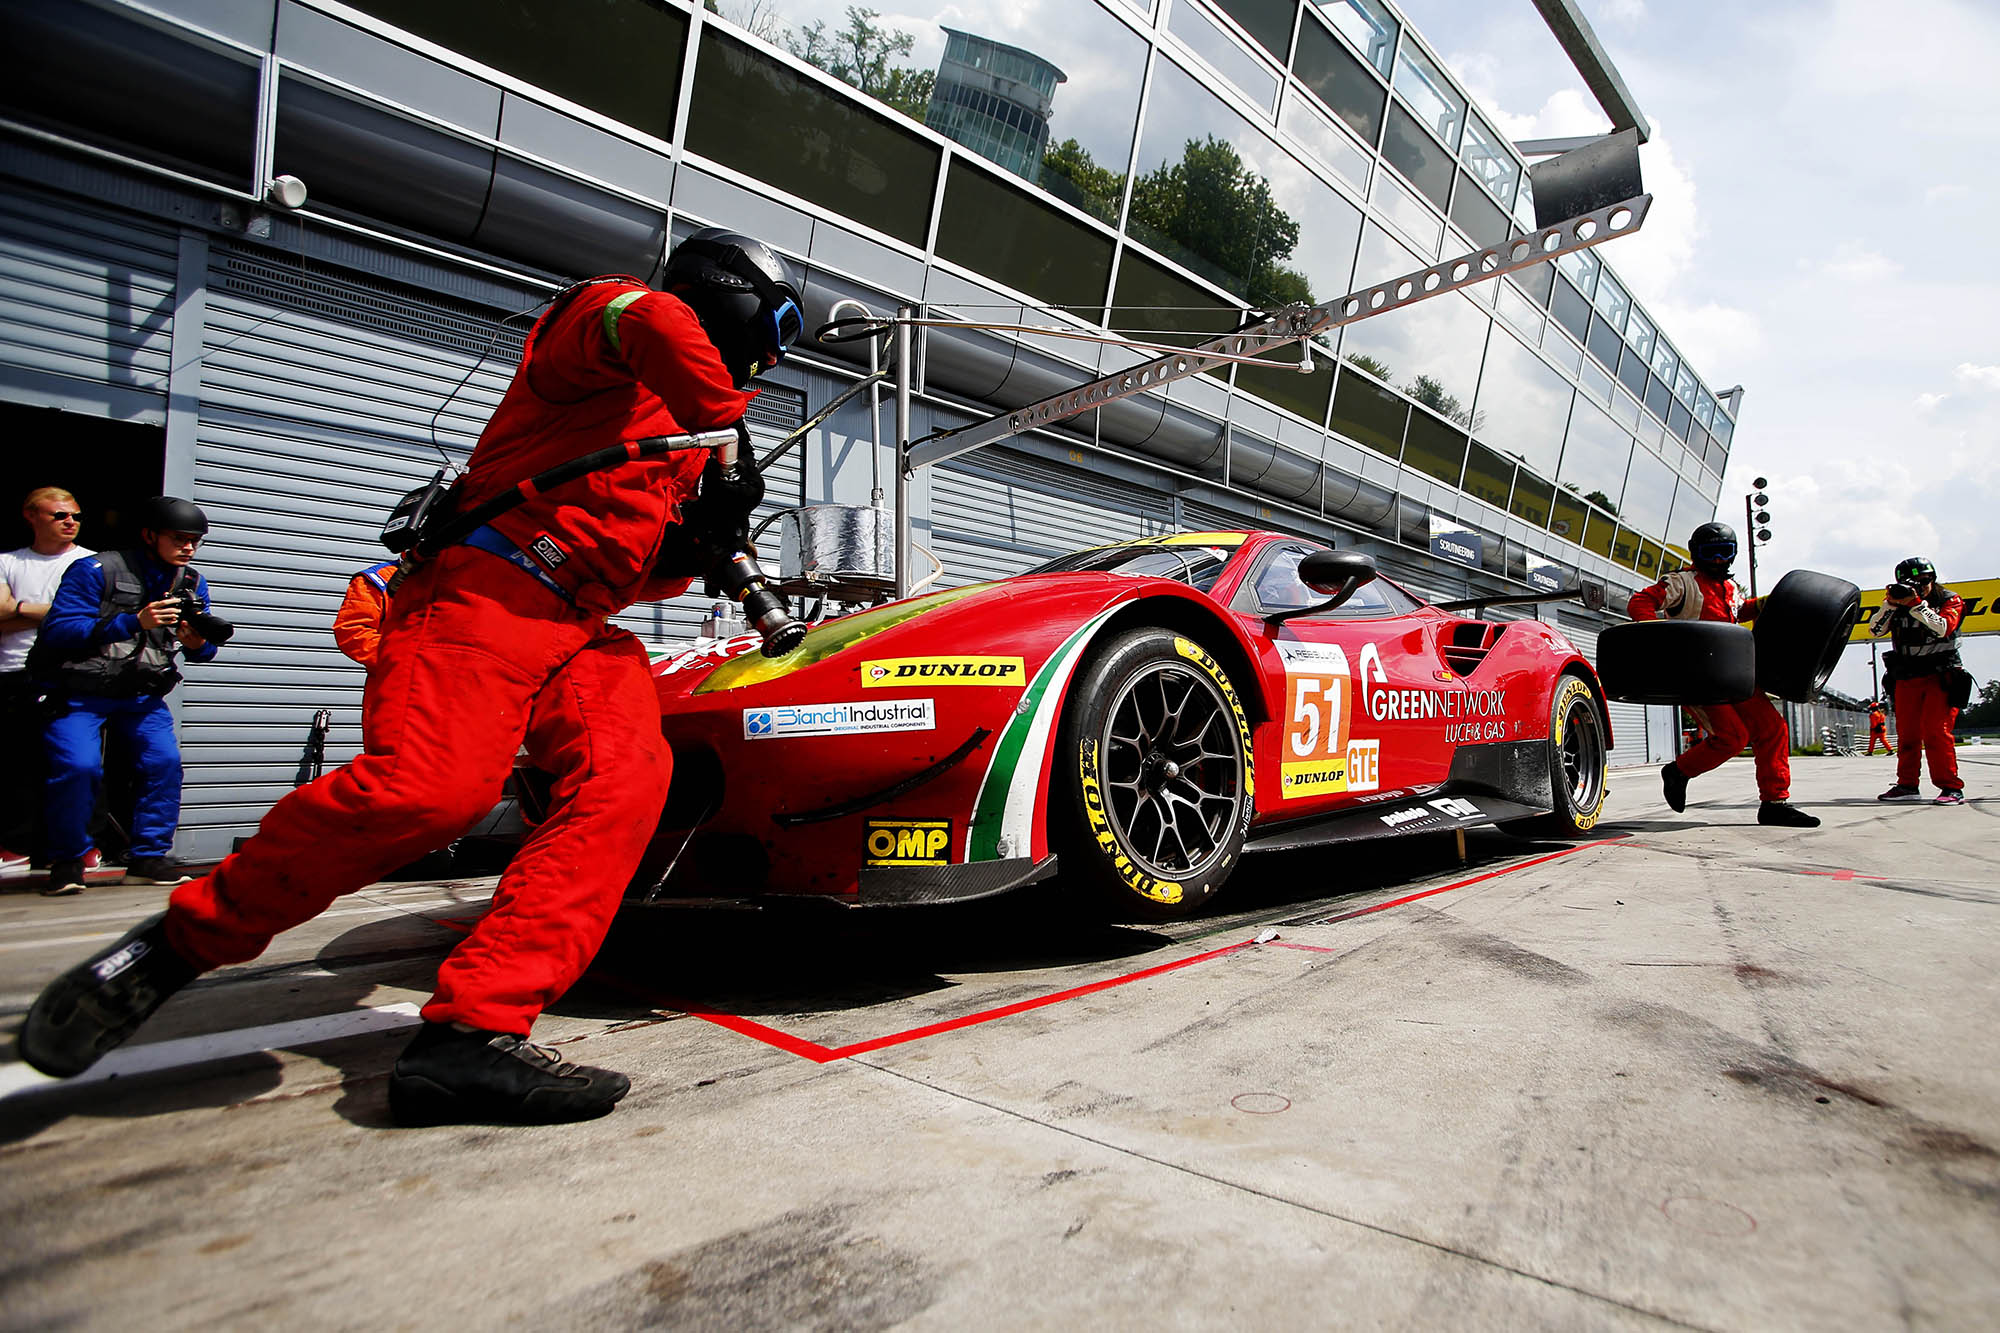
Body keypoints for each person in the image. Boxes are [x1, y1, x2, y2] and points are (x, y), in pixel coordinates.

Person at [21, 229, 804, 1128]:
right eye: (771, 332)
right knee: (431, 793)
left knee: (629, 779)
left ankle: (467, 1038)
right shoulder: (605, 320)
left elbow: (644, 569)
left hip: (582, 629)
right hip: (486, 592)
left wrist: (700, 537)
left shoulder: (688, 441)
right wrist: (724, 425)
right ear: (734, 305)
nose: (771, 359)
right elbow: (652, 320)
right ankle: (174, 944)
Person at [29, 496, 220, 895]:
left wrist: (198, 643)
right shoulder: (96, 570)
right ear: (150, 535)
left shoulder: (190, 580)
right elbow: (58, 631)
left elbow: (203, 651)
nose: (188, 547)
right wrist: (132, 622)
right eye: (179, 537)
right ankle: (67, 862)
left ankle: (148, 858)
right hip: (80, 691)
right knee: (79, 769)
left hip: (142, 695)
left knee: (163, 764)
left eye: (195, 540)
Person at [1628, 521, 1819, 828]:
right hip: (1697, 676)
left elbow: (1738, 612)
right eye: (1710, 552)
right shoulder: (1680, 582)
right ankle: (1679, 771)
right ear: (1696, 553)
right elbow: (1641, 601)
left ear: (1733, 554)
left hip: (1734, 672)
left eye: (1724, 552)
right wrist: (1655, 637)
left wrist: (1770, 603)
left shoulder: (1731, 588)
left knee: (1773, 727)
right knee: (1733, 738)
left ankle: (1775, 803)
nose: (1718, 559)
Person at [0, 488, 95, 875]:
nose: (69, 521)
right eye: (58, 515)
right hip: (11, 670)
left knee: (76, 761)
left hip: (69, 672)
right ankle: (16, 845)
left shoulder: (92, 564)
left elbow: (90, 619)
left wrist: (17, 611)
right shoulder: (7, 561)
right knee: (15, 763)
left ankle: (85, 845)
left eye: (74, 515)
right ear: (31, 516)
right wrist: (58, 614)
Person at [1870, 556, 1967, 805]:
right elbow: (1875, 630)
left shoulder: (1949, 599)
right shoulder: (1895, 602)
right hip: (1907, 675)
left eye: (1925, 581)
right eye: (1913, 582)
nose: (1920, 586)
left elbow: (1943, 628)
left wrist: (1917, 604)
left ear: (1933, 579)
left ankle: (1950, 787)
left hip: (1941, 674)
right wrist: (1890, 605)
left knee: (1936, 731)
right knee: (1907, 733)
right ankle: (1907, 785)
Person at [331, 558, 400, 669]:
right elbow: (352, 631)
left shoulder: (436, 581)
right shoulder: (381, 579)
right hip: (397, 680)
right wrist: (403, 656)